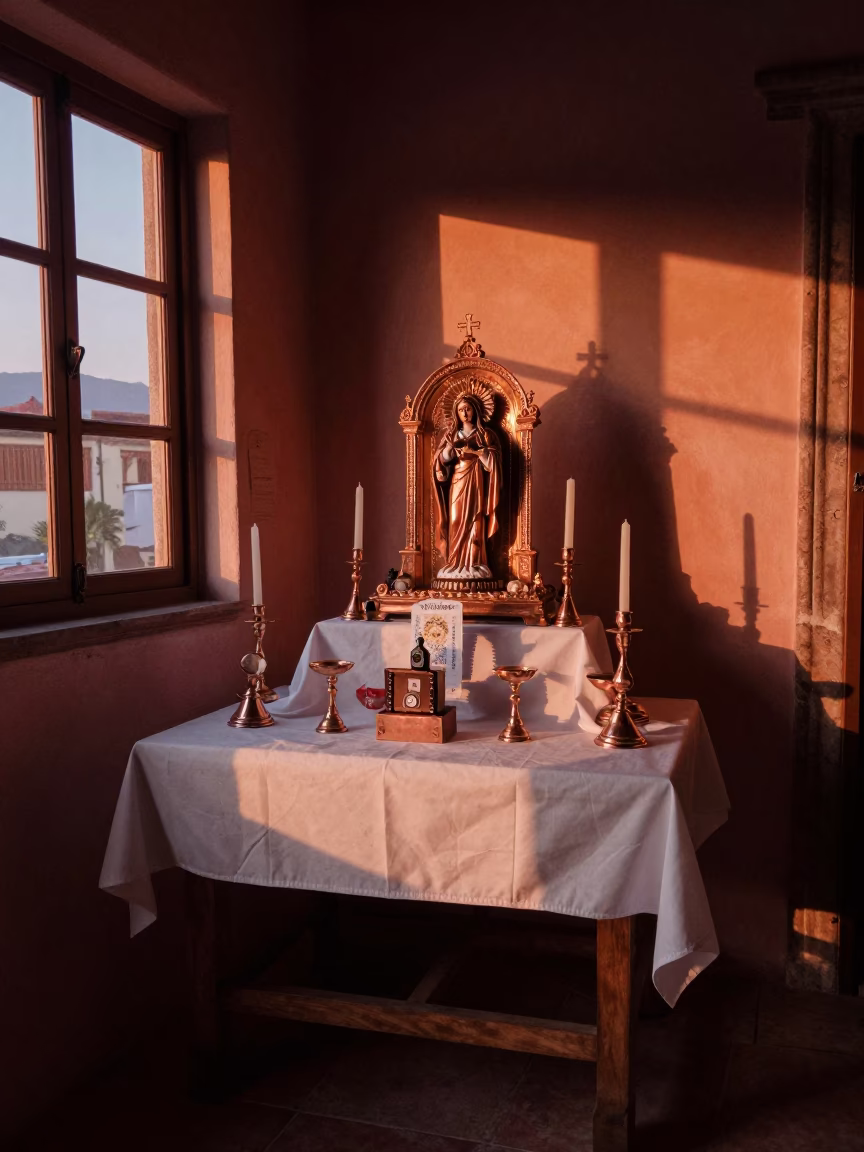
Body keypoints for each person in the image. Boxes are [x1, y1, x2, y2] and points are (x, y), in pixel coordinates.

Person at [433, 393, 501, 579]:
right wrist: (448, 451)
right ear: (456, 413)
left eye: (468, 409)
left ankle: (475, 563)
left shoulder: (485, 434)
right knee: (455, 520)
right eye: (461, 410)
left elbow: (493, 463)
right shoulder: (451, 434)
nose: (465, 413)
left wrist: (477, 453)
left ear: (476, 411)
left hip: (476, 480)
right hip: (457, 480)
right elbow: (440, 461)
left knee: (475, 522)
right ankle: (455, 563)